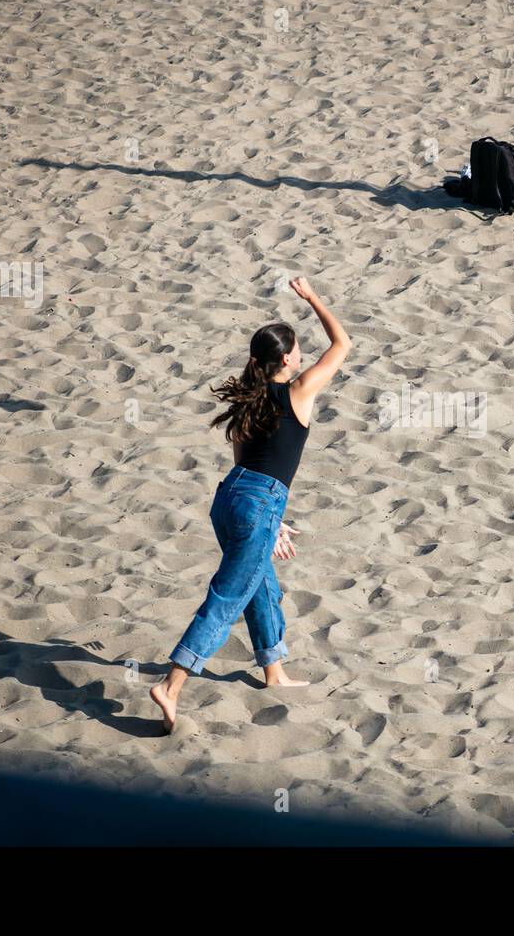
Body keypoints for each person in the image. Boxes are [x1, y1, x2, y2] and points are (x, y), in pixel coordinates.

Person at [150, 277, 352, 732]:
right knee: (226, 598)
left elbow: (245, 468)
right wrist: (313, 297)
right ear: (286, 359)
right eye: (297, 350)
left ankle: (274, 670)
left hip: (231, 499)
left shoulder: (248, 400)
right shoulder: (298, 392)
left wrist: (272, 522)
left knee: (261, 585)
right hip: (257, 502)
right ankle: (171, 684)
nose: (302, 356)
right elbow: (342, 344)